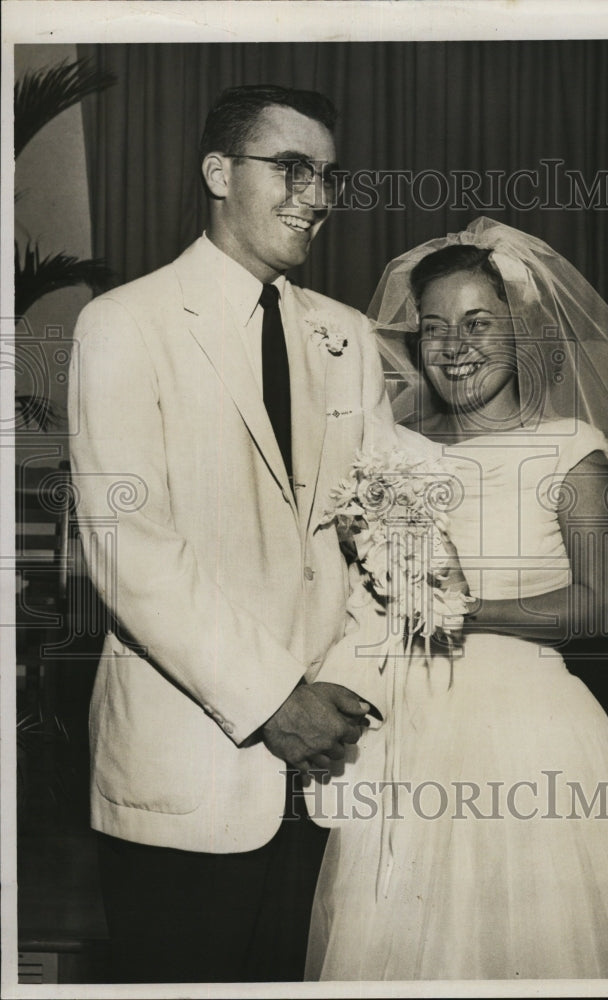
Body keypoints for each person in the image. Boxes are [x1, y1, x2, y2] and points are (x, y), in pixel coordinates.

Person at [303, 218, 608, 980]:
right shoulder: (395, 452)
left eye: (478, 323)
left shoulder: (569, 448)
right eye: (434, 328)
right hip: (405, 725)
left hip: (526, 727)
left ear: (519, 330)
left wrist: (458, 609)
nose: (455, 346)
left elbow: (599, 606)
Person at [68, 84, 394, 983]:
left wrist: (345, 690)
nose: (318, 196)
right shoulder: (123, 324)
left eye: (328, 175)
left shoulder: (348, 338)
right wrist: (272, 698)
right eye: (291, 168)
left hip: (333, 765)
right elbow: (129, 551)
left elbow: (382, 540)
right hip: (192, 762)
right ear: (218, 172)